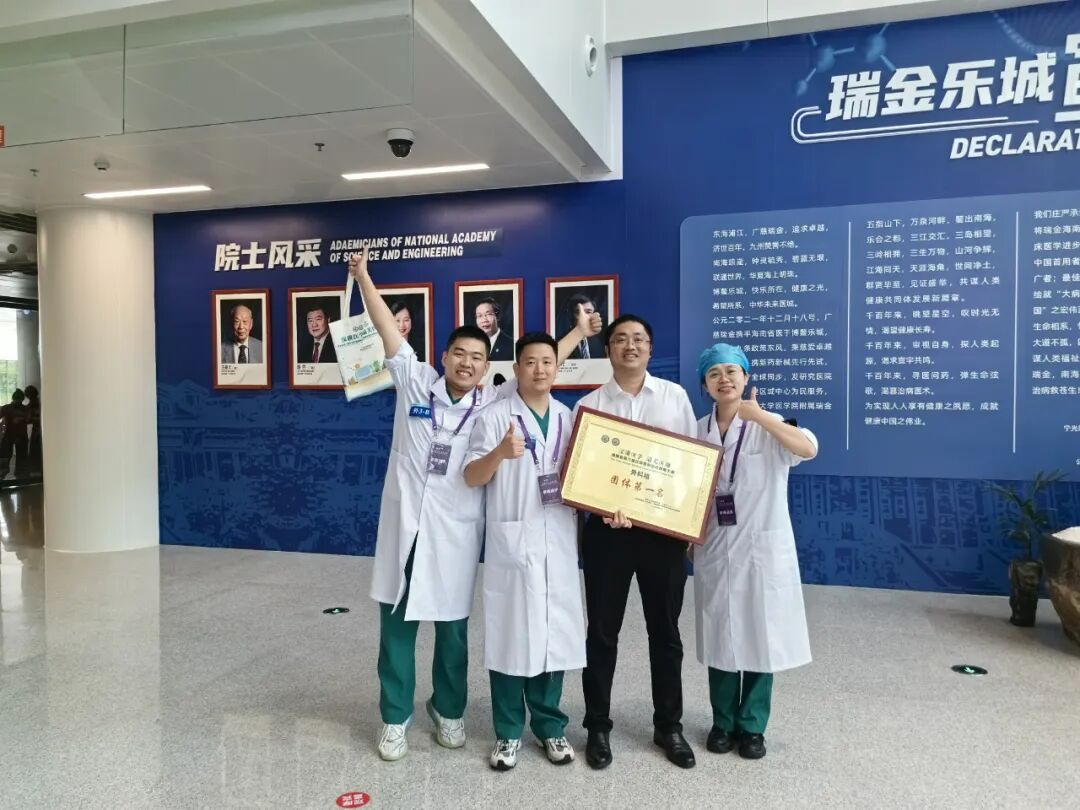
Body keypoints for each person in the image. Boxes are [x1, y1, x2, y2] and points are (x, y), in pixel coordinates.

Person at [349, 247, 600, 763]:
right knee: (396, 627)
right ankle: (395, 718)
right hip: (406, 526)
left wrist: (576, 334)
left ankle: (449, 709)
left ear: (487, 367)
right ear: (444, 357)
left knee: (452, 631)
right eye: (459, 354)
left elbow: (539, 367)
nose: (467, 363)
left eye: (477, 357)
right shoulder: (414, 381)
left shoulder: (493, 401)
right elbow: (385, 328)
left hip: (457, 531)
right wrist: (363, 276)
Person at [573, 315, 699, 770]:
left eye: (639, 339)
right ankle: (597, 726)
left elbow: (691, 466)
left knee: (665, 632)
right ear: (608, 349)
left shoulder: (674, 397)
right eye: (621, 339)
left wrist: (686, 527)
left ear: (650, 348)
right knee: (601, 633)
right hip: (607, 534)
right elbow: (583, 473)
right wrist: (599, 504)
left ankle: (669, 726)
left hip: (662, 536)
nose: (631, 345)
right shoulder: (588, 405)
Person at [463, 333, 584, 771]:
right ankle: (508, 732)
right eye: (530, 362)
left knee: (555, 636)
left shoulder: (570, 418)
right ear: (516, 369)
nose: (539, 369)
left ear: (557, 368)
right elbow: (472, 476)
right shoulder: (495, 417)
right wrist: (499, 453)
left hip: (558, 541)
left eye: (547, 361)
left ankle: (550, 727)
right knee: (511, 637)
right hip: (513, 544)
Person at [693, 343, 816, 760]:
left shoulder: (770, 424)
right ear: (705, 385)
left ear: (746, 377)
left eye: (732, 371)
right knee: (721, 636)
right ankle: (722, 722)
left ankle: (752, 726)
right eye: (714, 373)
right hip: (716, 549)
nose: (724, 379)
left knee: (763, 636)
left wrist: (759, 416)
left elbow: (807, 449)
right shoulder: (697, 430)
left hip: (762, 550)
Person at [563, 293, 604, 360]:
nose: (583, 317)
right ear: (570, 314)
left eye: (588, 312)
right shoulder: (560, 342)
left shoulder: (599, 343)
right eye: (578, 312)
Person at [474, 297, 514, 361]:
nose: (484, 320)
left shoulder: (512, 345)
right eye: (479, 316)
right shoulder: (472, 345)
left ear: (498, 316)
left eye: (488, 314)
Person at [0, 389, 28, 480]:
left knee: (9, 457)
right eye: (17, 399)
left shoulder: (8, 408)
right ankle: (6, 474)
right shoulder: (8, 408)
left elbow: (29, 419)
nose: (18, 402)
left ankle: (15, 475)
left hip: (16, 436)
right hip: (12, 435)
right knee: (6, 456)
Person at [24, 385, 41, 477]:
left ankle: (35, 468)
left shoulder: (34, 404)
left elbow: (29, 418)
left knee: (35, 448)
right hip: (37, 429)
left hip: (38, 429)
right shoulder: (37, 403)